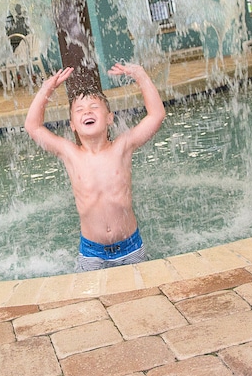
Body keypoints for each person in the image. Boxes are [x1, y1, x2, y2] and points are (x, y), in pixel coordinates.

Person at [25, 63, 165, 271]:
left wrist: (141, 76)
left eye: (94, 107)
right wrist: (46, 89)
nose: (87, 111)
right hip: (92, 253)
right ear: (72, 125)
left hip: (131, 248)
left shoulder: (122, 147)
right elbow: (33, 126)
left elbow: (156, 115)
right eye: (79, 110)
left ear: (109, 118)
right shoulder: (70, 153)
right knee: (92, 301)